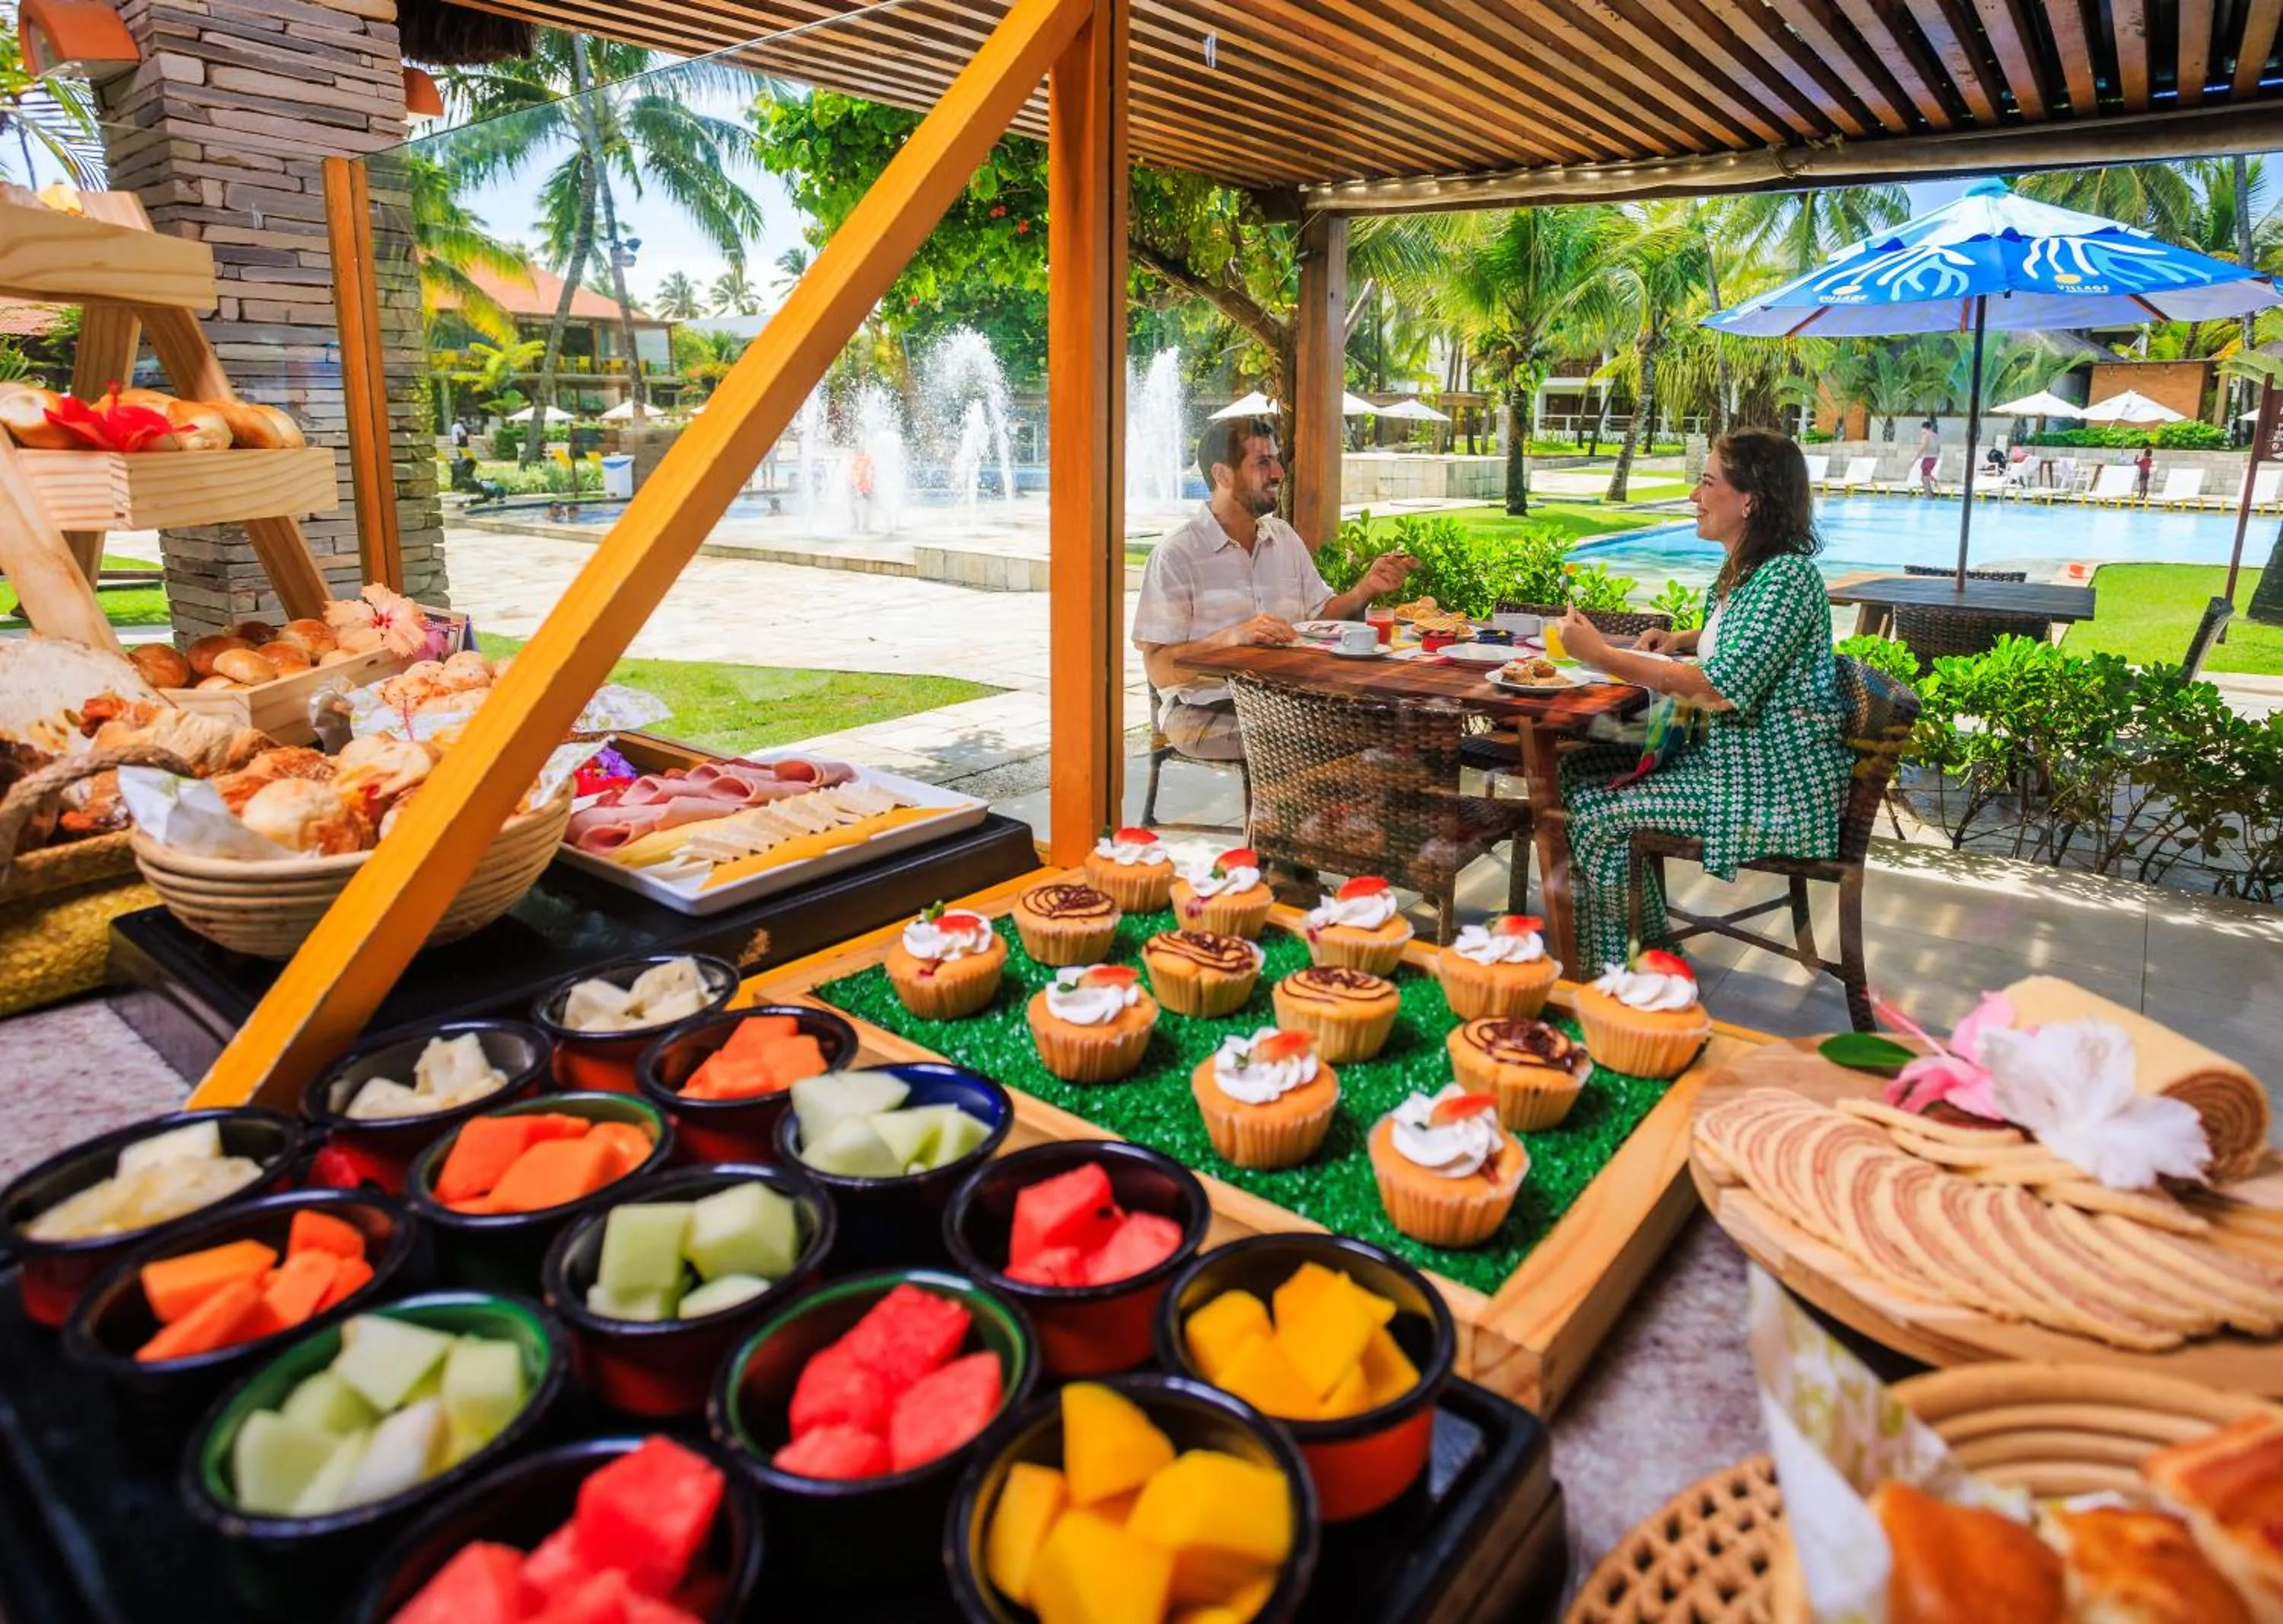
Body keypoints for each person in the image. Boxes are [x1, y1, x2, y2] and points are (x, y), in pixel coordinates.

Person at [1550, 428, 1855, 972]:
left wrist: (1601, 655)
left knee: (1597, 814)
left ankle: (1616, 977)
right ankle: (1647, 946)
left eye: (1707, 482)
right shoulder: (1753, 572)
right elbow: (1743, 641)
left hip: (1770, 789)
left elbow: (1716, 690)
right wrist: (1684, 640)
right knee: (1578, 767)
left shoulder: (1786, 577)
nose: (1694, 495)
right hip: (1737, 765)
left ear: (1749, 500)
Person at [1132, 416, 1418, 760]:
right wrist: (1229, 638)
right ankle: (1300, 814)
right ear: (1223, 475)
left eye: (1275, 460)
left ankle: (1344, 814)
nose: (1279, 473)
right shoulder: (1176, 555)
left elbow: (1322, 614)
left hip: (1291, 699)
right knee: (1327, 739)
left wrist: (1366, 588)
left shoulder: (1282, 537)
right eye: (1262, 462)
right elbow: (1159, 670)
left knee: (1404, 721)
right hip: (1205, 711)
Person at [1915, 419, 1941, 494]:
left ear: (1924, 428)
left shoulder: (1926, 435)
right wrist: (1936, 457)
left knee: (1925, 477)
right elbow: (1939, 448)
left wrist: (1917, 456)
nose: (1922, 431)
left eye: (1922, 429)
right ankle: (1929, 490)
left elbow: (1923, 446)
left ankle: (1929, 495)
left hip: (1927, 457)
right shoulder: (1936, 436)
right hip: (1934, 458)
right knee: (1924, 476)